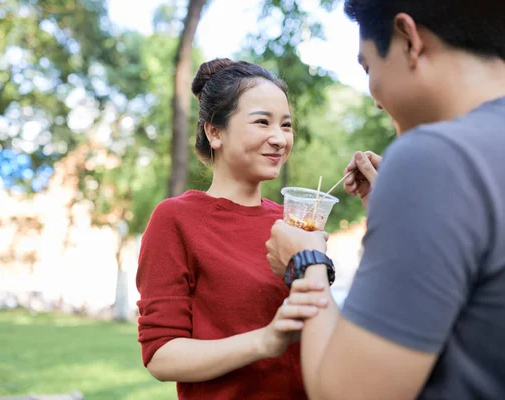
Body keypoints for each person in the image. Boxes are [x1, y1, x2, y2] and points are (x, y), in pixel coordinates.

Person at [266, 1, 505, 399]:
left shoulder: (434, 157)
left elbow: (347, 393)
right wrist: (400, 211)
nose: (375, 97)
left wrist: (307, 262)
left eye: (368, 68)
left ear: (409, 39)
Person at [136, 58, 325, 399]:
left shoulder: (295, 225)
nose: (279, 138)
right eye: (262, 122)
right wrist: (264, 342)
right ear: (215, 132)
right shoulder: (176, 219)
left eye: (285, 125)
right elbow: (161, 355)